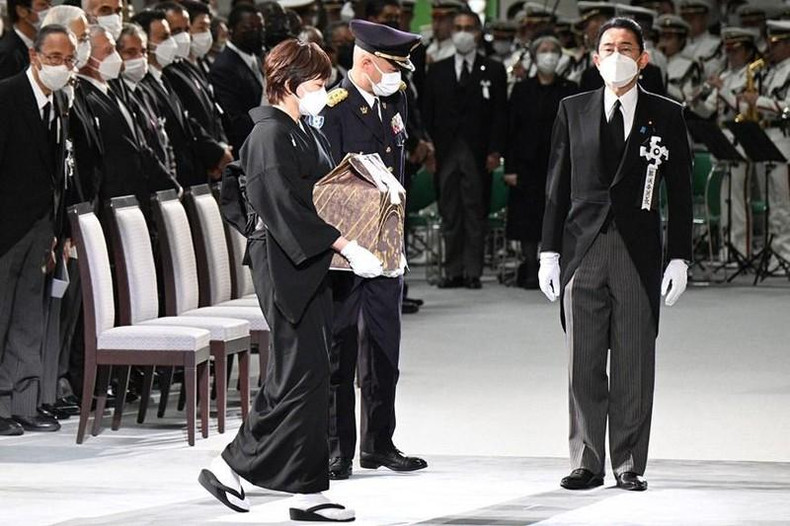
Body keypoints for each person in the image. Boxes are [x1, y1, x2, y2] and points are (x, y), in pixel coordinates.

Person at [198, 38, 378, 523]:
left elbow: (320, 191)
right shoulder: (268, 135)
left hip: (305, 261)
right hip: (285, 265)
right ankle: (231, 466)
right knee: (296, 376)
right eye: (319, 84)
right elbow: (283, 206)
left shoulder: (298, 128)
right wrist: (343, 244)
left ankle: (307, 489)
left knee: (308, 375)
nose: (325, 91)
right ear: (291, 84)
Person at [538, 17, 693, 492]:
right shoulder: (573, 109)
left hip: (637, 249)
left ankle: (628, 461)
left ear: (643, 59)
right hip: (581, 248)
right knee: (582, 359)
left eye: (627, 47)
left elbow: (681, 193)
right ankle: (587, 459)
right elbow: (556, 187)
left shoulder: (666, 113)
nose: (617, 54)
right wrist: (547, 252)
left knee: (632, 359)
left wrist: (679, 257)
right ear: (595, 57)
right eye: (608, 47)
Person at [320, 18, 428, 481]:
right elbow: (324, 188)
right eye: (392, 65)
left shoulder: (397, 100)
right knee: (340, 354)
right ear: (365, 62)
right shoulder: (332, 108)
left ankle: (379, 444)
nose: (399, 76)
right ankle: (336, 449)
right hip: (345, 256)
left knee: (384, 352)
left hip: (386, 249)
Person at [0, 24, 74, 435]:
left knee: (30, 317)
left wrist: (59, 230)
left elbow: (61, 171)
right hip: (7, 227)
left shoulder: (60, 102)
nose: (61, 67)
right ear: (34, 57)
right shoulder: (7, 96)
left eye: (67, 60)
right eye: (53, 59)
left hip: (41, 226)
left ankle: (23, 401)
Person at [422, 9, 507, 289]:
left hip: (477, 150)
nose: (462, 33)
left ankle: (472, 271)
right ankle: (452, 270)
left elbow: (499, 114)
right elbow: (428, 114)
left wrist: (495, 150)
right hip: (445, 151)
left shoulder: (493, 70)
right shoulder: (437, 70)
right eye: (458, 27)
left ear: (478, 33)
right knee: (449, 210)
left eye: (468, 28)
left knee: (474, 210)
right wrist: (430, 148)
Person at [504, 35, 577, 289]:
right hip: (526, 163)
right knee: (527, 216)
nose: (549, 55)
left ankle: (557, 264)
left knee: (557, 212)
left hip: (560, 162)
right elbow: (510, 130)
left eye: (554, 51)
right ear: (535, 57)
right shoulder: (522, 89)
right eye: (544, 50)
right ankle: (530, 266)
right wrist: (510, 167)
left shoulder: (569, 89)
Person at [132, 8, 230, 187]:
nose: (171, 42)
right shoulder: (143, 85)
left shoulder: (163, 78)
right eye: (164, 37)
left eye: (170, 35)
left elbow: (186, 120)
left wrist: (218, 152)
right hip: (174, 181)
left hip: (194, 175)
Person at [747, 20, 790, 269]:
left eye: (775, 44)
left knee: (782, 203)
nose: (770, 50)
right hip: (768, 139)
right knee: (772, 203)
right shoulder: (773, 71)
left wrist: (758, 101)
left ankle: (784, 255)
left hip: (784, 140)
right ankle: (775, 253)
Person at [208, 3, 264, 156]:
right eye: (248, 28)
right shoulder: (224, 67)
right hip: (247, 147)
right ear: (231, 30)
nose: (256, 32)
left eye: (260, 28)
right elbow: (234, 118)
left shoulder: (257, 58)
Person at [0, 0, 51, 79]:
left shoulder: (45, 44)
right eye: (42, 5)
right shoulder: (8, 54)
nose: (50, 10)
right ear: (21, 11)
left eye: (50, 4)